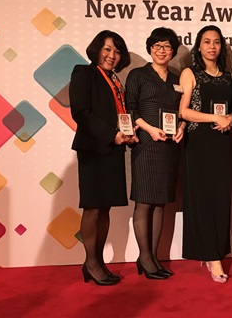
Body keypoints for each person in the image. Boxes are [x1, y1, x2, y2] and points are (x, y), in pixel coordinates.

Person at [69, 30, 138, 286]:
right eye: (107, 49)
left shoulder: (115, 80)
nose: (112, 55)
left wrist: (125, 134)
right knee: (93, 207)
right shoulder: (84, 73)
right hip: (93, 149)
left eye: (117, 51)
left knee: (105, 207)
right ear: (97, 49)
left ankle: (98, 262)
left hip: (113, 149)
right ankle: (91, 262)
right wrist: (113, 135)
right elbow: (81, 112)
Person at [126, 27, 185, 280]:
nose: (162, 50)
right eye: (157, 46)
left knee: (160, 203)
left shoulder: (177, 79)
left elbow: (183, 111)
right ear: (150, 48)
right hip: (146, 144)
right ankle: (145, 257)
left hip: (169, 147)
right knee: (144, 202)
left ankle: (153, 257)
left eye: (167, 46)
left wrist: (182, 127)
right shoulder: (137, 75)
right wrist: (150, 129)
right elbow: (129, 109)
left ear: (173, 51)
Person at [178, 25, 232, 284]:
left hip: (222, 143)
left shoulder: (227, 76)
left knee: (220, 199)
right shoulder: (190, 73)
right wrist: (215, 118)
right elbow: (184, 111)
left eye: (216, 42)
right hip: (199, 143)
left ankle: (215, 251)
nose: (212, 46)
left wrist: (230, 118)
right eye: (207, 41)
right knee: (202, 199)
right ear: (198, 46)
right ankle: (212, 257)